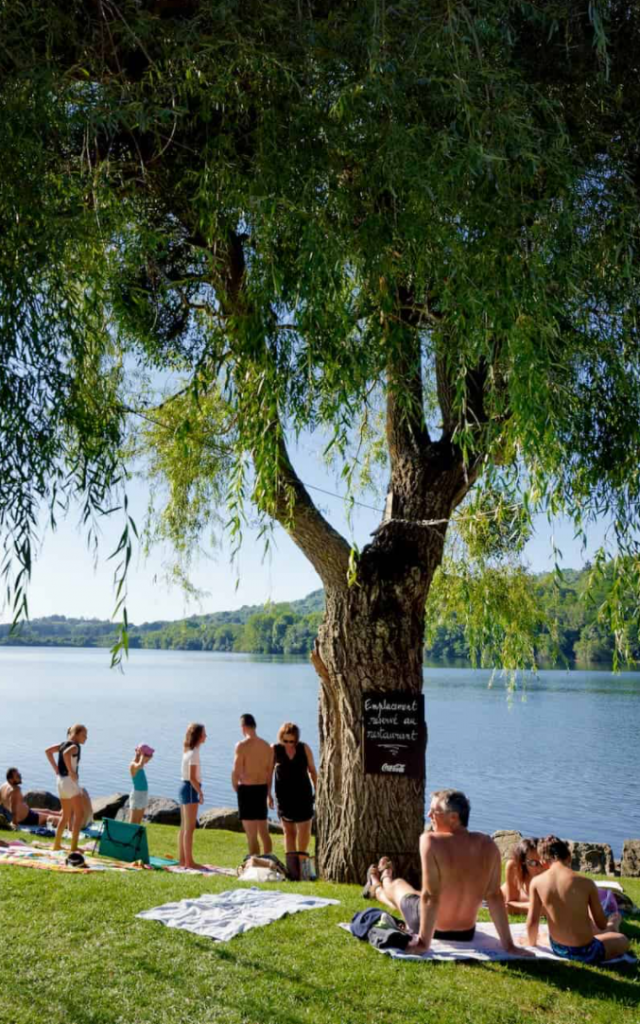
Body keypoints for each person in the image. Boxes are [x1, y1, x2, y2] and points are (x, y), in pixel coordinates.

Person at [364, 789, 529, 955]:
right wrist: (509, 946)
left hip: (431, 927)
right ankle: (377, 887)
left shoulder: (430, 841)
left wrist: (423, 943)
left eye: (434, 811)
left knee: (398, 885)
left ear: (454, 817)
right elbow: (495, 896)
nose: (429, 815)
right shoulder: (488, 844)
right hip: (466, 933)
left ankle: (380, 882)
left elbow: (430, 896)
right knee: (414, 895)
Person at [526, 835, 630, 963]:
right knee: (622, 939)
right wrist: (610, 923)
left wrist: (532, 945)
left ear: (543, 861)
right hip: (586, 952)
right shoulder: (586, 883)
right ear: (569, 857)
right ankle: (615, 925)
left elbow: (532, 922)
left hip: (558, 948)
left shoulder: (536, 882)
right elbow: (601, 924)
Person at [271, 722, 317, 855]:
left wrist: (318, 790)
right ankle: (292, 867)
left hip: (304, 796)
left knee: (304, 831)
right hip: (283, 797)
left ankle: (302, 861)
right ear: (281, 738)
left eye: (292, 741)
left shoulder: (304, 748)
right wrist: (268, 794)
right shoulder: (275, 749)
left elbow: (312, 771)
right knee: (289, 832)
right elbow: (267, 772)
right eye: (285, 741)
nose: (289, 744)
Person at [231, 714, 273, 857]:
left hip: (247, 790)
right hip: (261, 788)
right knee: (264, 831)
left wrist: (237, 788)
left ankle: (254, 863)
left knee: (251, 833)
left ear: (243, 727)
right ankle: (269, 861)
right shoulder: (267, 746)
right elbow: (269, 773)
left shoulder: (241, 746)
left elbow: (236, 771)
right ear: (254, 726)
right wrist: (269, 794)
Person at [45, 723, 89, 852]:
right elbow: (65, 754)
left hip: (60, 782)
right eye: (84, 735)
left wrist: (56, 769)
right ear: (75, 734)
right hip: (70, 782)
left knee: (65, 815)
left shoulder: (62, 744)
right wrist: (71, 771)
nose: (86, 738)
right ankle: (74, 847)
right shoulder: (75, 746)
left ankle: (57, 845)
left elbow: (48, 752)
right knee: (79, 815)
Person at [178, 722, 206, 869]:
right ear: (199, 736)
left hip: (185, 787)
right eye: (204, 733)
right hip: (190, 788)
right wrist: (200, 793)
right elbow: (193, 778)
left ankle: (183, 860)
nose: (206, 736)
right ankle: (189, 862)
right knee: (190, 828)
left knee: (184, 827)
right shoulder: (194, 753)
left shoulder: (188, 751)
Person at [501, 837, 547, 913]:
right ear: (523, 862)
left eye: (542, 862)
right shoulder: (515, 867)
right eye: (533, 863)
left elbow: (553, 908)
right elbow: (509, 906)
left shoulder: (552, 871)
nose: (539, 868)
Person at [129, 743, 154, 825]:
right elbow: (140, 764)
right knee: (133, 821)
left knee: (138, 821)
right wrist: (142, 754)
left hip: (143, 794)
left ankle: (135, 837)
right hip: (137, 795)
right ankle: (128, 837)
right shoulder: (133, 765)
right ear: (142, 756)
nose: (148, 761)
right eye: (148, 758)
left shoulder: (139, 764)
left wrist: (142, 755)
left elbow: (142, 763)